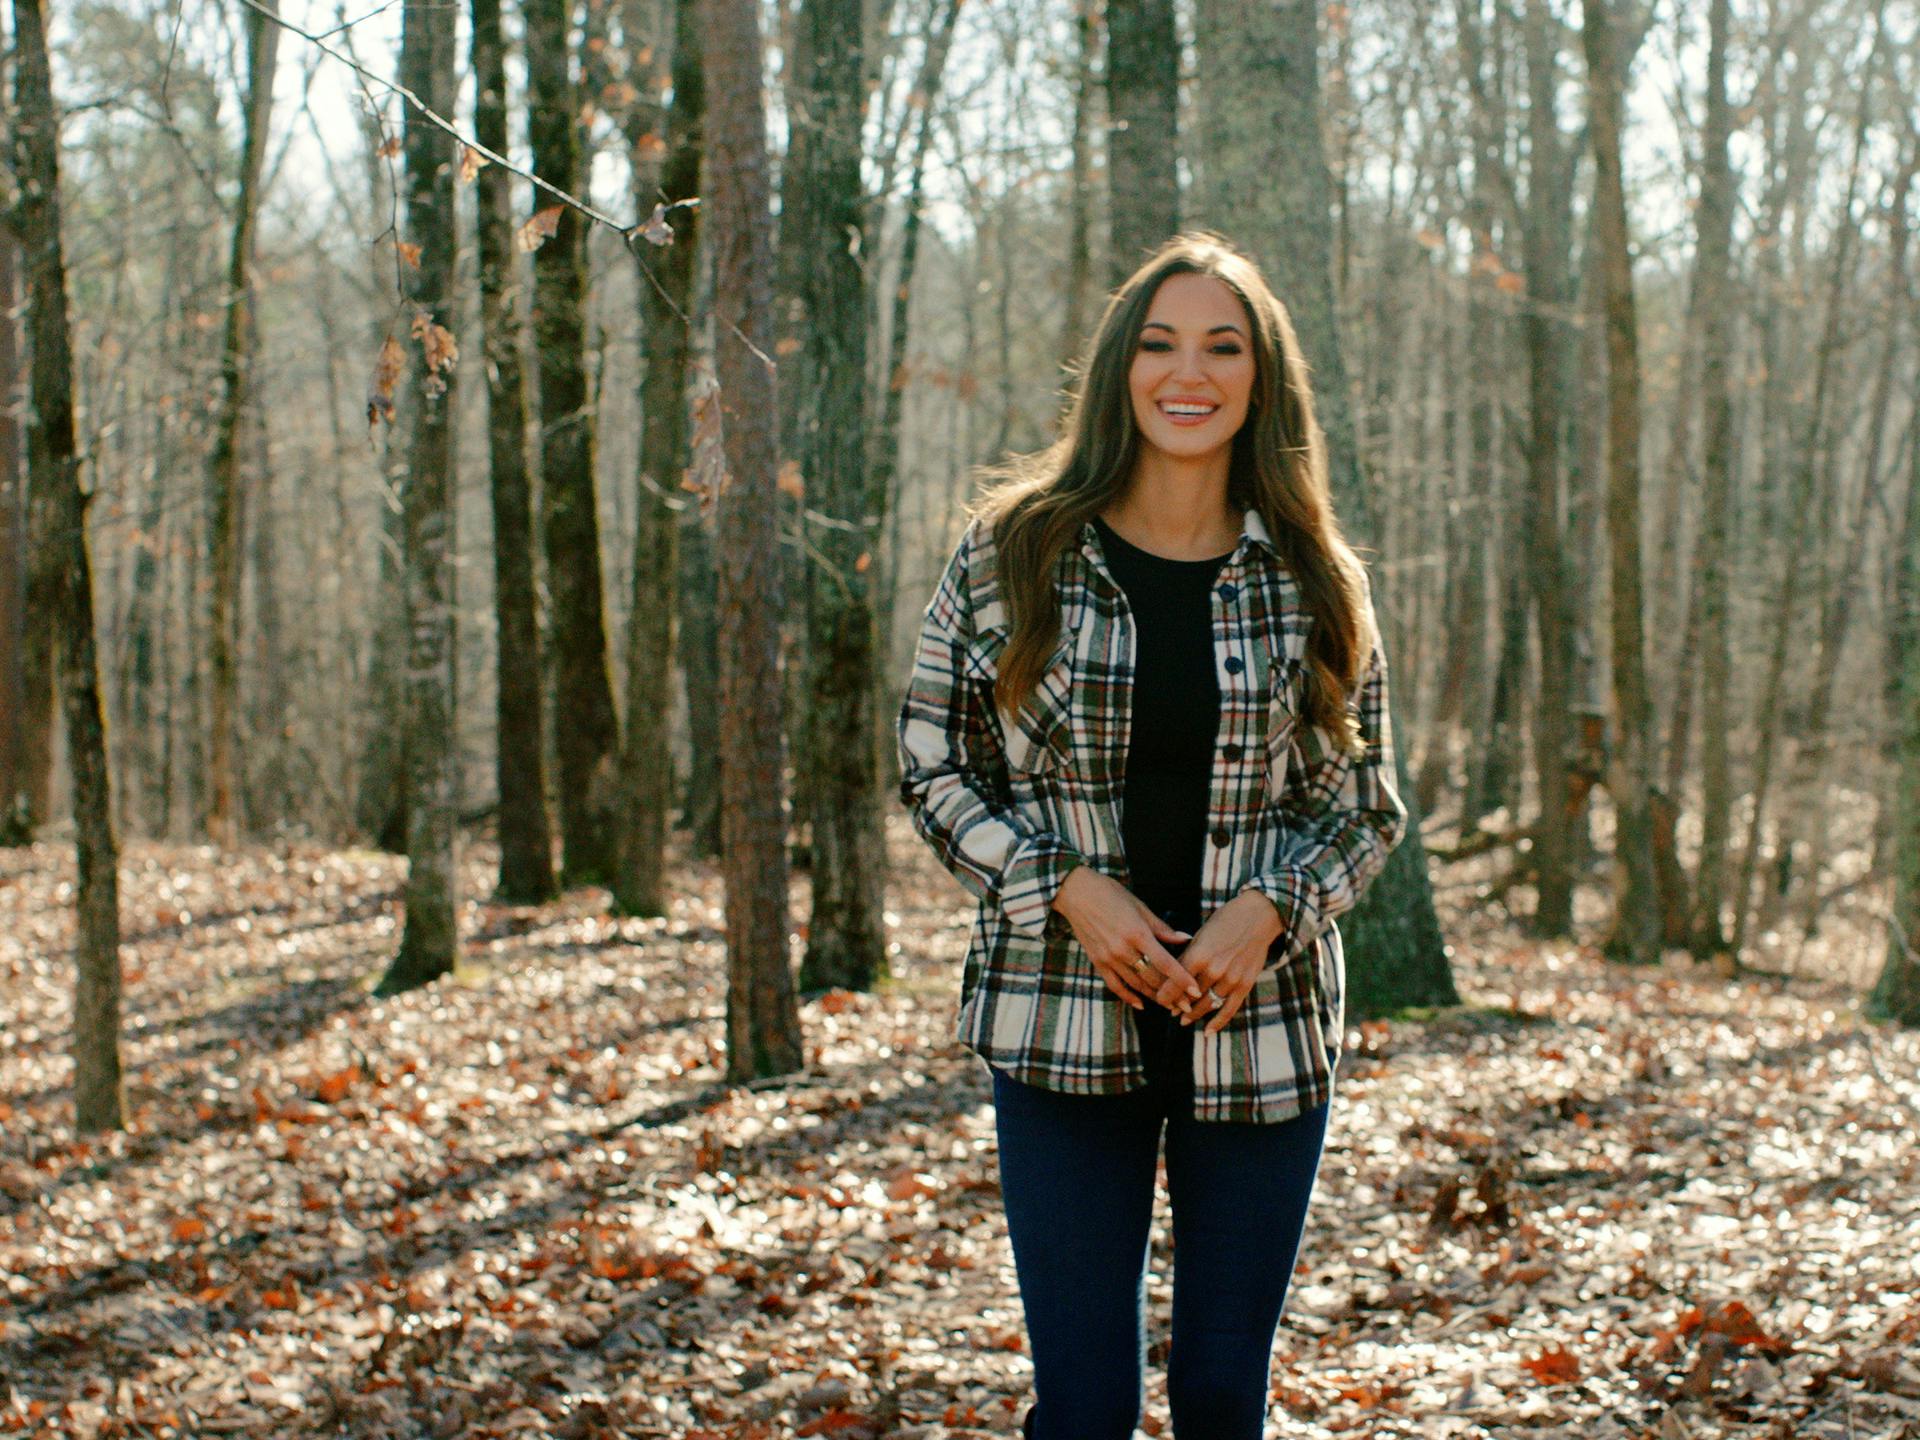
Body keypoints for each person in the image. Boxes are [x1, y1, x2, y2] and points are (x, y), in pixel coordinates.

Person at [895, 230, 1410, 1439]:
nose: (1191, 371)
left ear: (1260, 378)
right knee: (1084, 1410)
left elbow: (1364, 802)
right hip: (1059, 1015)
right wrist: (1063, 884)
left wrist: (1271, 908)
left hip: (1263, 1031)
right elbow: (932, 761)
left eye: (1223, 346)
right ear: (1121, 368)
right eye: (1161, 342)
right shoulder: (1015, 551)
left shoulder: (1315, 578)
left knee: (1225, 1401)